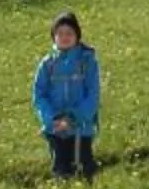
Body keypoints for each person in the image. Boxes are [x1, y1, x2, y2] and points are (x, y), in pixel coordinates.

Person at [30, 9, 101, 179]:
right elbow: (39, 95)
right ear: (54, 36)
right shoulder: (47, 64)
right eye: (60, 33)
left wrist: (73, 118)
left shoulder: (87, 62)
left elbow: (93, 94)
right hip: (56, 129)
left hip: (81, 128)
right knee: (61, 169)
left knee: (85, 167)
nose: (64, 37)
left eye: (69, 33)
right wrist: (53, 119)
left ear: (77, 35)